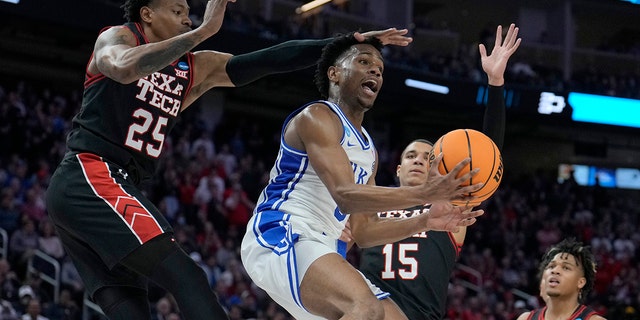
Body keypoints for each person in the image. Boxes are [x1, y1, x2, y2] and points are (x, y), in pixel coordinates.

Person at [44, 0, 414, 319]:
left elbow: (267, 60)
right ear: (148, 14)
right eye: (178, 10)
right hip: (91, 174)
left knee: (129, 305)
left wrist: (346, 42)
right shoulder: (120, 37)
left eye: (190, 14)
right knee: (187, 276)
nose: (188, 18)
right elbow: (123, 67)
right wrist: (203, 32)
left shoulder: (193, 67)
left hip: (110, 187)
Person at [240, 32, 486, 320]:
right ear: (334, 73)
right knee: (365, 307)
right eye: (363, 61)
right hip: (283, 230)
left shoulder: (369, 150)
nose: (375, 71)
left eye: (380, 69)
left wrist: (424, 220)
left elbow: (364, 231)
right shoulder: (317, 116)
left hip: (322, 245)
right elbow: (345, 196)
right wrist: (424, 194)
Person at [353, 23, 521, 320]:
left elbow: (486, 158)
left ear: (439, 169)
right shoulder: (374, 201)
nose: (419, 160)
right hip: (369, 307)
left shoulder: (449, 206)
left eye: (428, 157)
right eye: (411, 155)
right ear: (399, 168)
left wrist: (495, 82)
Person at [516, 238, 606, 320]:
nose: (555, 271)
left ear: (581, 282)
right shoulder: (526, 318)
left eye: (566, 267)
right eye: (551, 266)